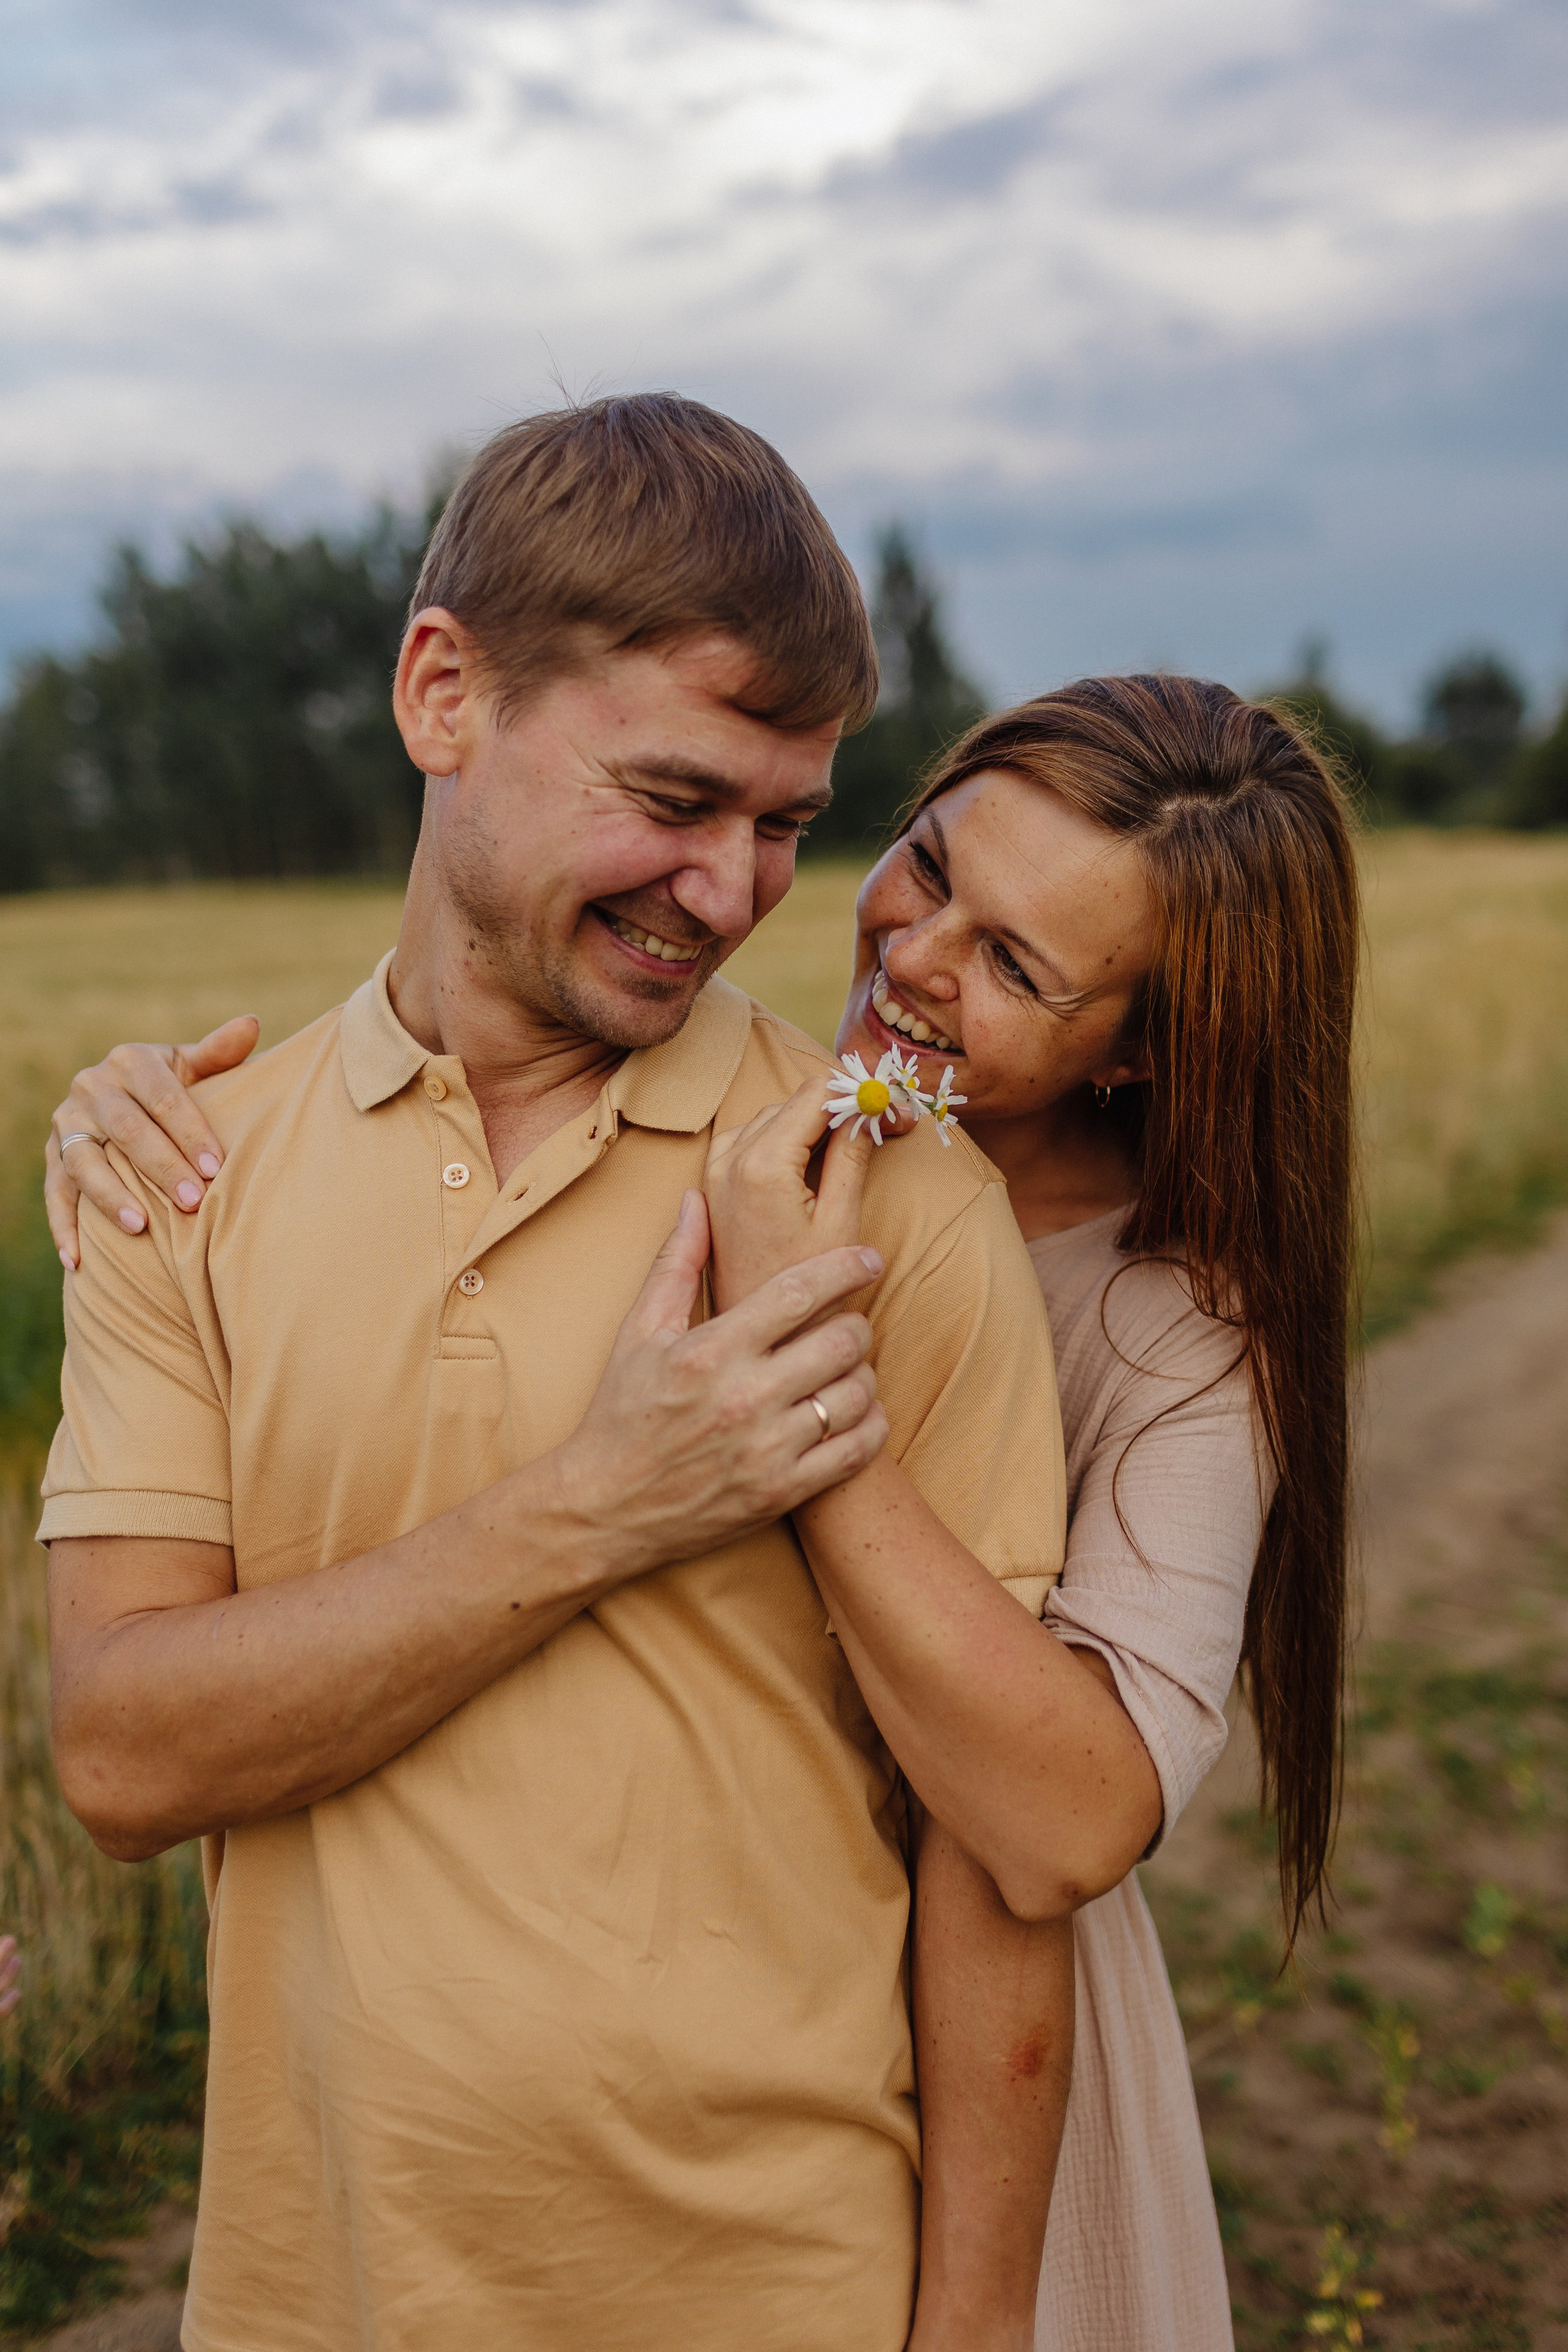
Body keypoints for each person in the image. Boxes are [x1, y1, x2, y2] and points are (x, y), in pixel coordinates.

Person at [56, 672, 1360, 2352]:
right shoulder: (772, 1128)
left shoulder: (1176, 1333)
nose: (916, 957)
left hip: (974, 2089)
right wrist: (144, 1117)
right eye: (929, 862)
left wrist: (792, 1388)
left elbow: (1054, 1829)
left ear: (1141, 1058)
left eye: (1020, 966)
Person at [39, 396, 1072, 2352]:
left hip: (788, 2295)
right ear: (446, 693)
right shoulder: (181, 1167)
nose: (738, 890)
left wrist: (981, 2331)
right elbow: (123, 1752)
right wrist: (615, 1494)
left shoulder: (884, 1188)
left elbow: (998, 1850)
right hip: (310, 2296)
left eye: (788, 824)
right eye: (677, 799)